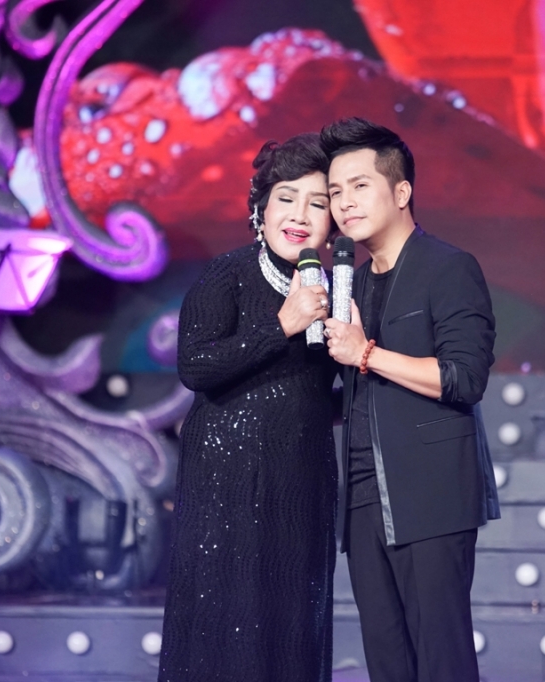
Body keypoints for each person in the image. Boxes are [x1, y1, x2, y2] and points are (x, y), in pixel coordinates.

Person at [322, 118, 500, 682]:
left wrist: (366, 353)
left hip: (429, 494)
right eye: (335, 192)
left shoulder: (448, 267)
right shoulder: (349, 282)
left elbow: (463, 377)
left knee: (441, 659)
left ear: (401, 192)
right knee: (387, 661)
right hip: (361, 498)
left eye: (359, 186)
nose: (345, 203)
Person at [159, 133, 338, 682]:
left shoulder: (336, 290)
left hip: (301, 480)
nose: (300, 215)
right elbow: (196, 366)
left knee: (293, 622)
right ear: (260, 209)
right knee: (227, 623)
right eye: (286, 198)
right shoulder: (228, 274)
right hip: (227, 482)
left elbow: (318, 392)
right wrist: (282, 324)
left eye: (317, 203)